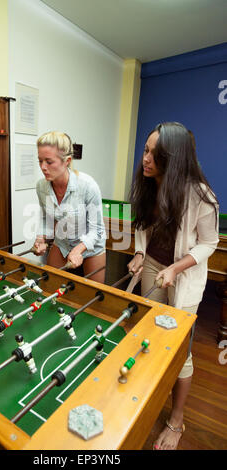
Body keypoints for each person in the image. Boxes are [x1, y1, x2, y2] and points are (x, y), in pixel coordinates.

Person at [127, 122, 219, 450]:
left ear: (176, 157)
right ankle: (150, 391)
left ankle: (177, 419)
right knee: (151, 334)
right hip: (153, 265)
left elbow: (208, 243)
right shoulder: (149, 184)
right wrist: (140, 252)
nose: (146, 159)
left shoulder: (201, 195)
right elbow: (143, 226)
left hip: (184, 276)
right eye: (146, 150)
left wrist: (177, 268)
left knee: (180, 350)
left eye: (156, 153)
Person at [32, 131, 106, 283]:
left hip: (91, 246)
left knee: (92, 297)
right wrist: (41, 238)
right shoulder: (41, 186)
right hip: (63, 243)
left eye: (49, 161)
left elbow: (96, 230)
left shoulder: (88, 186)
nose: (43, 167)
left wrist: (78, 249)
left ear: (67, 161)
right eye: (40, 161)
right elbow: (46, 218)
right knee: (51, 285)